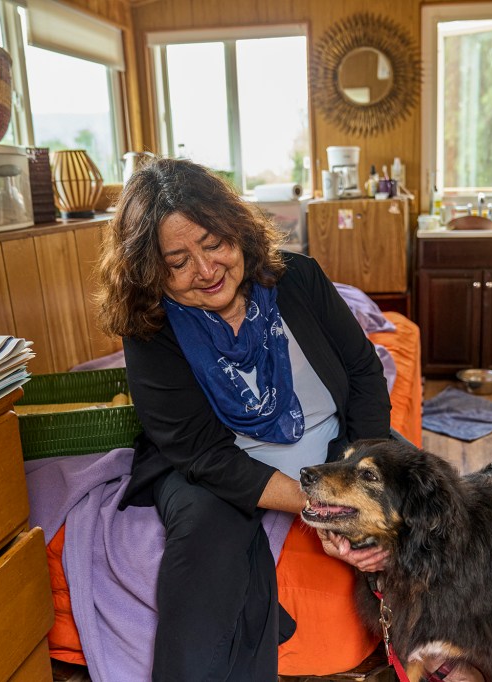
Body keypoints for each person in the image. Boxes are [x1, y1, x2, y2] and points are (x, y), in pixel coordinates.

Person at [95, 158, 392, 681]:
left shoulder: (299, 279)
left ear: (239, 232)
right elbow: (201, 454)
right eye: (178, 261)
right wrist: (322, 509)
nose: (206, 270)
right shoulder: (152, 329)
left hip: (331, 451)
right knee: (204, 540)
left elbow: (365, 374)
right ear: (150, 270)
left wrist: (354, 486)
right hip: (215, 467)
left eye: (214, 245)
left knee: (426, 515)